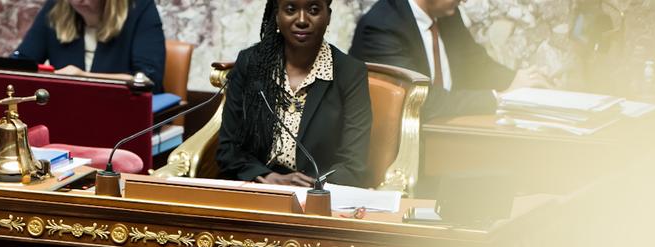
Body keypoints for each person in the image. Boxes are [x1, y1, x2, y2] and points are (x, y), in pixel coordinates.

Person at [217, 0, 373, 188]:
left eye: (313, 10)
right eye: (291, 10)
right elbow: (228, 149)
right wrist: (267, 178)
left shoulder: (349, 73)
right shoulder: (251, 63)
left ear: (328, 16)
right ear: (277, 15)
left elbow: (353, 163)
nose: (301, 20)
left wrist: (312, 188)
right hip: (257, 189)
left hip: (319, 197)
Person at [350, 0, 547, 119]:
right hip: (402, 150)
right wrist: (499, 99)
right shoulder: (380, 28)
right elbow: (418, 100)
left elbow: (478, 65)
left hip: (448, 132)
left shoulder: (448, 16)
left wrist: (520, 83)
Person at [13, 0, 166, 89]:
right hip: (68, 112)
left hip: (121, 112)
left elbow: (147, 79)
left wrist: (83, 77)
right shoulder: (56, 7)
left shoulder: (139, 7)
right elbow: (22, 61)